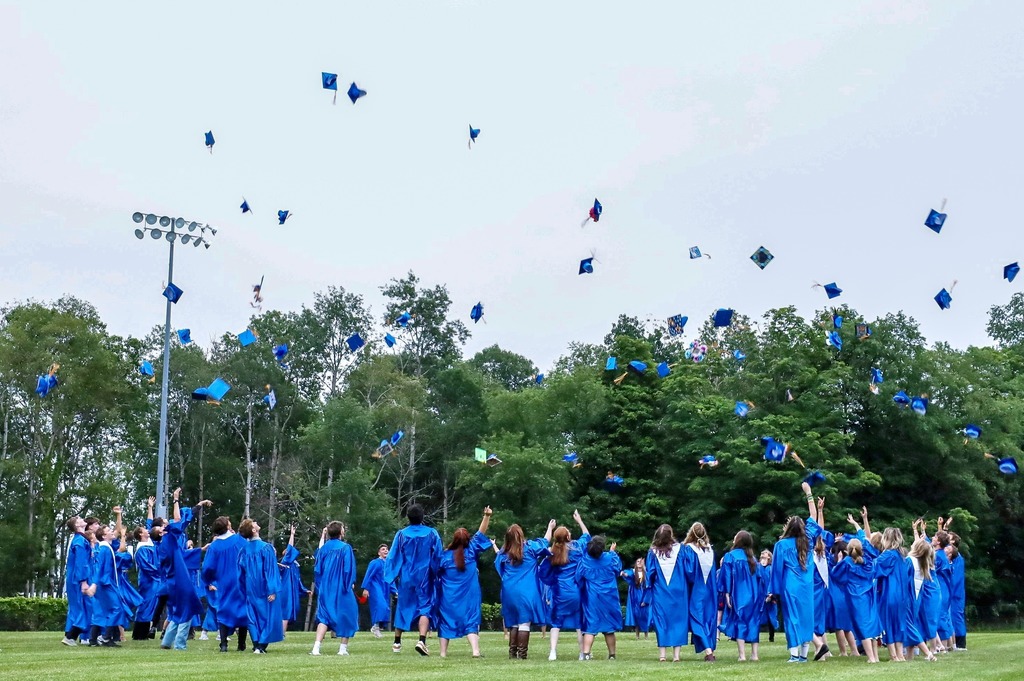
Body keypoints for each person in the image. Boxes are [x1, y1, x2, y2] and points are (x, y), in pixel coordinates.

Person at [769, 482, 820, 663]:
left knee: (792, 619)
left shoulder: (781, 545)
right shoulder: (809, 540)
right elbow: (814, 516)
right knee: (807, 618)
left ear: (788, 528)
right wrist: (809, 493)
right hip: (807, 584)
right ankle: (804, 656)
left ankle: (794, 655)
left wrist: (773, 591)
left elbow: (776, 569)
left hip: (790, 585)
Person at [383, 503, 443, 656]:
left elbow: (393, 555)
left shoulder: (402, 534)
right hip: (424, 577)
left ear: (408, 517)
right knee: (425, 607)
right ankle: (422, 640)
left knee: (403, 606)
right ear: (422, 517)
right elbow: (437, 555)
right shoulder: (431, 533)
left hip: (407, 576)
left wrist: (390, 575)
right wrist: (437, 572)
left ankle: (397, 642)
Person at [435, 507, 494, 658]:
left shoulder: (444, 556)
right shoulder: (472, 551)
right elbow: (481, 533)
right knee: (471, 620)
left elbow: (435, 573)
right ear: (468, 540)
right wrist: (486, 516)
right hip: (469, 594)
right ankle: (475, 651)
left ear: (453, 540)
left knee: (445, 621)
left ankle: (443, 653)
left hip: (449, 595)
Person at [495, 519, 553, 660]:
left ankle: (512, 653)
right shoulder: (530, 548)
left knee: (514, 621)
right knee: (524, 622)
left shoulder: (503, 553)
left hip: (509, 590)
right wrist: (550, 527)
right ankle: (522, 654)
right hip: (527, 590)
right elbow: (545, 542)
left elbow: (499, 569)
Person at [538, 509, 590, 661]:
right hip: (576, 590)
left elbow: (543, 572)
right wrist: (579, 521)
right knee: (579, 624)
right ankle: (582, 654)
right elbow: (587, 536)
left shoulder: (552, 552)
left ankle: (553, 652)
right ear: (568, 536)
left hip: (560, 591)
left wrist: (552, 581)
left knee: (555, 623)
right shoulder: (577, 548)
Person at [831, 524, 881, 663]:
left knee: (862, 626)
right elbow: (865, 539)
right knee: (871, 625)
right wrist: (856, 526)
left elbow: (835, 575)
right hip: (869, 595)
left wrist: (840, 561)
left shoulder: (846, 562)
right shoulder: (868, 561)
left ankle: (871, 658)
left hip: (855, 596)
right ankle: (875, 656)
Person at [310, 521, 358, 656]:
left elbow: (317, 570)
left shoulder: (323, 549)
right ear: (340, 532)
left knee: (324, 616)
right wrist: (349, 583)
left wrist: (321, 585)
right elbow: (348, 568)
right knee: (347, 614)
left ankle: (316, 648)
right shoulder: (345, 548)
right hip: (341, 586)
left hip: (326, 587)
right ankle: (342, 649)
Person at [202, 515, 249, 652]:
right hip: (240, 580)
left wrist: (209, 580)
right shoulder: (239, 539)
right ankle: (241, 644)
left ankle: (223, 644)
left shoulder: (214, 546)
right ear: (228, 526)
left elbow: (207, 567)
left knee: (223, 610)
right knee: (242, 610)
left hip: (223, 581)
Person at [237, 518, 284, 654]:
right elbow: (270, 571)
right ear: (253, 530)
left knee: (253, 615)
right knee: (267, 614)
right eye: (254, 524)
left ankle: (256, 642)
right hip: (264, 586)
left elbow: (240, 572)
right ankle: (261, 644)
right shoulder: (265, 548)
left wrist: (243, 588)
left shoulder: (244, 550)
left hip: (250, 586)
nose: (257, 523)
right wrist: (272, 589)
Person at [719, 530, 766, 662]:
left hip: (739, 594)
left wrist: (727, 593)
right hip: (754, 596)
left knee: (740, 621)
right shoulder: (753, 559)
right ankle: (755, 655)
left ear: (738, 541)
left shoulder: (730, 557)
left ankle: (742, 655)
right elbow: (761, 579)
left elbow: (726, 576)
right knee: (753, 622)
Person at [645, 524, 689, 662]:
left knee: (661, 620)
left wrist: (648, 586)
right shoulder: (681, 549)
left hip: (661, 591)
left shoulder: (652, 552)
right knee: (679, 621)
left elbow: (650, 573)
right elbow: (688, 570)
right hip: (679, 591)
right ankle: (676, 656)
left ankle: (662, 655)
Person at [576, 535, 622, 660]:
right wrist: (613, 552)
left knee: (591, 626)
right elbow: (618, 570)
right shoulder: (610, 558)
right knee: (609, 627)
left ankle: (586, 654)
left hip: (592, 597)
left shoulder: (584, 561)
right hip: (609, 596)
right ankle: (612, 655)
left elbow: (578, 578)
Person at [681, 522, 717, 662]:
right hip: (710, 591)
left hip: (697, 590)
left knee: (696, 619)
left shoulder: (689, 550)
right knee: (708, 619)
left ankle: (709, 652)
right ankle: (710, 649)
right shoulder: (709, 550)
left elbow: (689, 573)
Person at [85, 524, 122, 647]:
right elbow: (100, 567)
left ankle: (93, 639)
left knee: (101, 610)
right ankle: (105, 637)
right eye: (109, 531)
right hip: (105, 583)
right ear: (104, 535)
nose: (112, 532)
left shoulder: (103, 547)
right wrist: (95, 584)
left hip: (103, 582)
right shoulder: (105, 549)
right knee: (116, 608)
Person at [903, 535, 939, 662]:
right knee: (911, 624)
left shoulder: (909, 560)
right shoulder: (922, 563)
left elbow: (903, 579)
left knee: (908, 625)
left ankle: (928, 653)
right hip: (916, 599)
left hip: (907, 598)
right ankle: (909, 656)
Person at [876, 527, 909, 661]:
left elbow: (875, 569)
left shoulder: (887, 555)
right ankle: (900, 654)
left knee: (888, 623)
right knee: (899, 624)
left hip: (890, 593)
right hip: (902, 595)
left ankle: (894, 655)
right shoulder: (902, 556)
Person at [62, 516, 91, 647]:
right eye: (79, 519)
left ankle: (71, 636)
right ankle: (70, 636)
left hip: (75, 578)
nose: (82, 519)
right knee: (82, 607)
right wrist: (83, 581)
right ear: (77, 525)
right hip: (77, 580)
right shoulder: (80, 541)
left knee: (82, 607)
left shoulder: (80, 540)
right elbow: (81, 563)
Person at [278, 524, 309, 638]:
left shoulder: (294, 566)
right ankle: (282, 633)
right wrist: (292, 535)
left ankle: (282, 633)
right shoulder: (285, 563)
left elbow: (298, 580)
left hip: (291, 590)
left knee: (288, 612)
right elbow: (290, 548)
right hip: (285, 590)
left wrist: (304, 590)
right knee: (285, 612)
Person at [361, 543, 395, 638]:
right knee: (381, 606)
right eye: (383, 549)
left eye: (386, 549)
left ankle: (378, 627)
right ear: (379, 552)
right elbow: (369, 575)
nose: (385, 551)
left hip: (385, 589)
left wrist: (395, 591)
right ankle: (375, 626)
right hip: (375, 588)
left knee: (385, 608)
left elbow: (390, 579)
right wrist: (366, 588)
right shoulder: (375, 563)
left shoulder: (388, 564)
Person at [620, 558, 652, 640]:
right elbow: (628, 574)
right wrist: (624, 574)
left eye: (641, 561)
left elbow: (649, 587)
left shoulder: (647, 574)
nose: (639, 563)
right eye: (637, 561)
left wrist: (646, 600)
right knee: (636, 615)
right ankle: (637, 635)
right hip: (634, 596)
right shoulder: (633, 572)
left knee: (644, 614)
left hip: (644, 594)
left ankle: (646, 635)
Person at [758, 550, 777, 644]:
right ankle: (755, 636)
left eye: (765, 554)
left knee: (771, 616)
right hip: (760, 595)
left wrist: (771, 594)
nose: (763, 555)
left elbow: (773, 581)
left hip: (769, 594)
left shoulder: (771, 568)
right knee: (758, 615)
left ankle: (771, 636)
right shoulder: (758, 567)